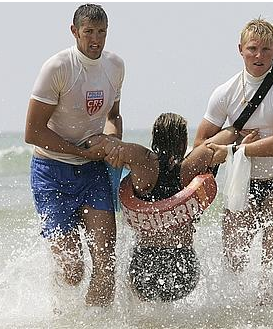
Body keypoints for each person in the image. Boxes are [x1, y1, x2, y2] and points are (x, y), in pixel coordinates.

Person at [87, 113, 259, 302]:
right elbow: (225, 137)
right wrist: (240, 138)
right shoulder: (190, 165)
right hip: (183, 265)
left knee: (144, 312)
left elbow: (107, 146)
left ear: (154, 137)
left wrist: (101, 143)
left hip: (144, 263)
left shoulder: (143, 162)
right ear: (184, 142)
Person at [194, 17, 273, 304]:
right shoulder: (225, 91)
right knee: (234, 260)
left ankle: (271, 314)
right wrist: (232, 134)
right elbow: (200, 145)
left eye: (266, 50)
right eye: (253, 48)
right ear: (240, 49)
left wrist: (235, 151)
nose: (259, 56)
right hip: (241, 182)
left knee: (272, 265)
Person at [24, 3, 124, 307]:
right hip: (51, 171)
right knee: (72, 271)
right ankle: (61, 312)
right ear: (74, 31)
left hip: (93, 173)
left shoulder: (115, 66)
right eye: (89, 32)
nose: (95, 39)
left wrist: (111, 142)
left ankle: (96, 324)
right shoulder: (57, 68)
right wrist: (79, 150)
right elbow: (33, 132)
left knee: (106, 263)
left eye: (102, 32)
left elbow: (114, 116)